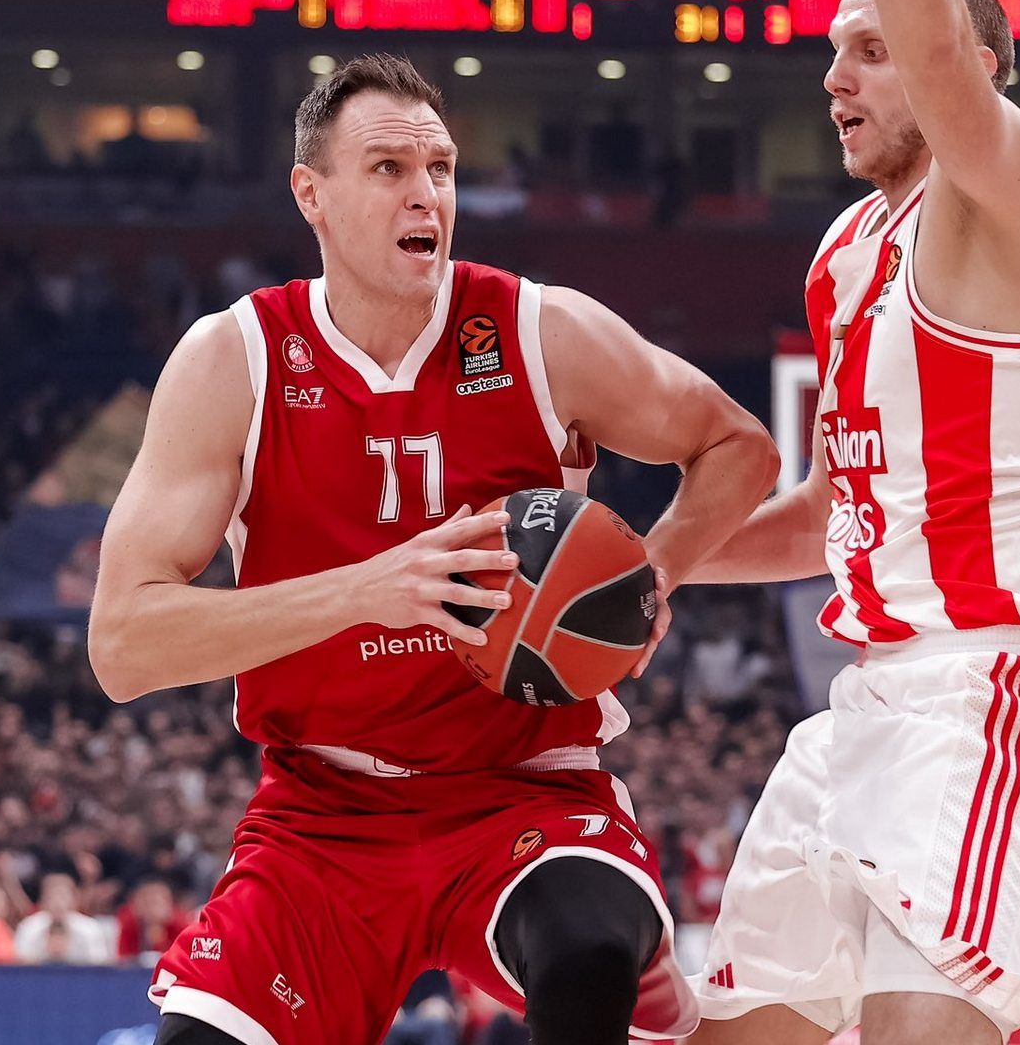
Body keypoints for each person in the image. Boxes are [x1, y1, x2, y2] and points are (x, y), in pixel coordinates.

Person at [89, 54, 778, 1045]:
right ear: (311, 194)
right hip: (322, 814)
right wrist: (369, 590)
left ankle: (640, 982)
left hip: (527, 789)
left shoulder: (540, 332)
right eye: (389, 169)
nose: (427, 195)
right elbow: (122, 645)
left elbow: (738, 446)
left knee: (588, 953)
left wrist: (649, 578)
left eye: (441, 169)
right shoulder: (232, 359)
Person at [680, 0, 1020, 1043]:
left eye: (872, 52)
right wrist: (651, 566)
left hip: (996, 685)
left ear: (974, 72)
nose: (835, 78)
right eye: (836, 52)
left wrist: (921, 45)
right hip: (868, 700)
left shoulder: (1004, 197)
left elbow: (939, 54)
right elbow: (823, 516)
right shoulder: (845, 251)